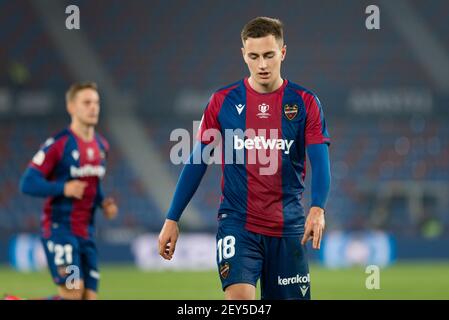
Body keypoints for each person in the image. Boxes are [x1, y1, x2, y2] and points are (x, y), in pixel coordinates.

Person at [158, 17, 331, 300]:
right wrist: (172, 217)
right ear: (243, 55)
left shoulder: (305, 102)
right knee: (240, 300)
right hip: (238, 224)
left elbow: (320, 161)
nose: (262, 64)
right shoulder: (222, 101)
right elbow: (197, 160)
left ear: (283, 52)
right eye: (254, 56)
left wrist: (318, 208)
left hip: (288, 228)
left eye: (269, 55)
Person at [18, 82, 118, 300]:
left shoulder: (102, 146)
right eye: (87, 102)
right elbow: (27, 183)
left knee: (89, 297)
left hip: (87, 234)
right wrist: (63, 187)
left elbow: (93, 184)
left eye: (96, 103)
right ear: (71, 107)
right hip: (61, 230)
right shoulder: (58, 144)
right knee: (73, 294)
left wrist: (103, 203)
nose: (93, 107)